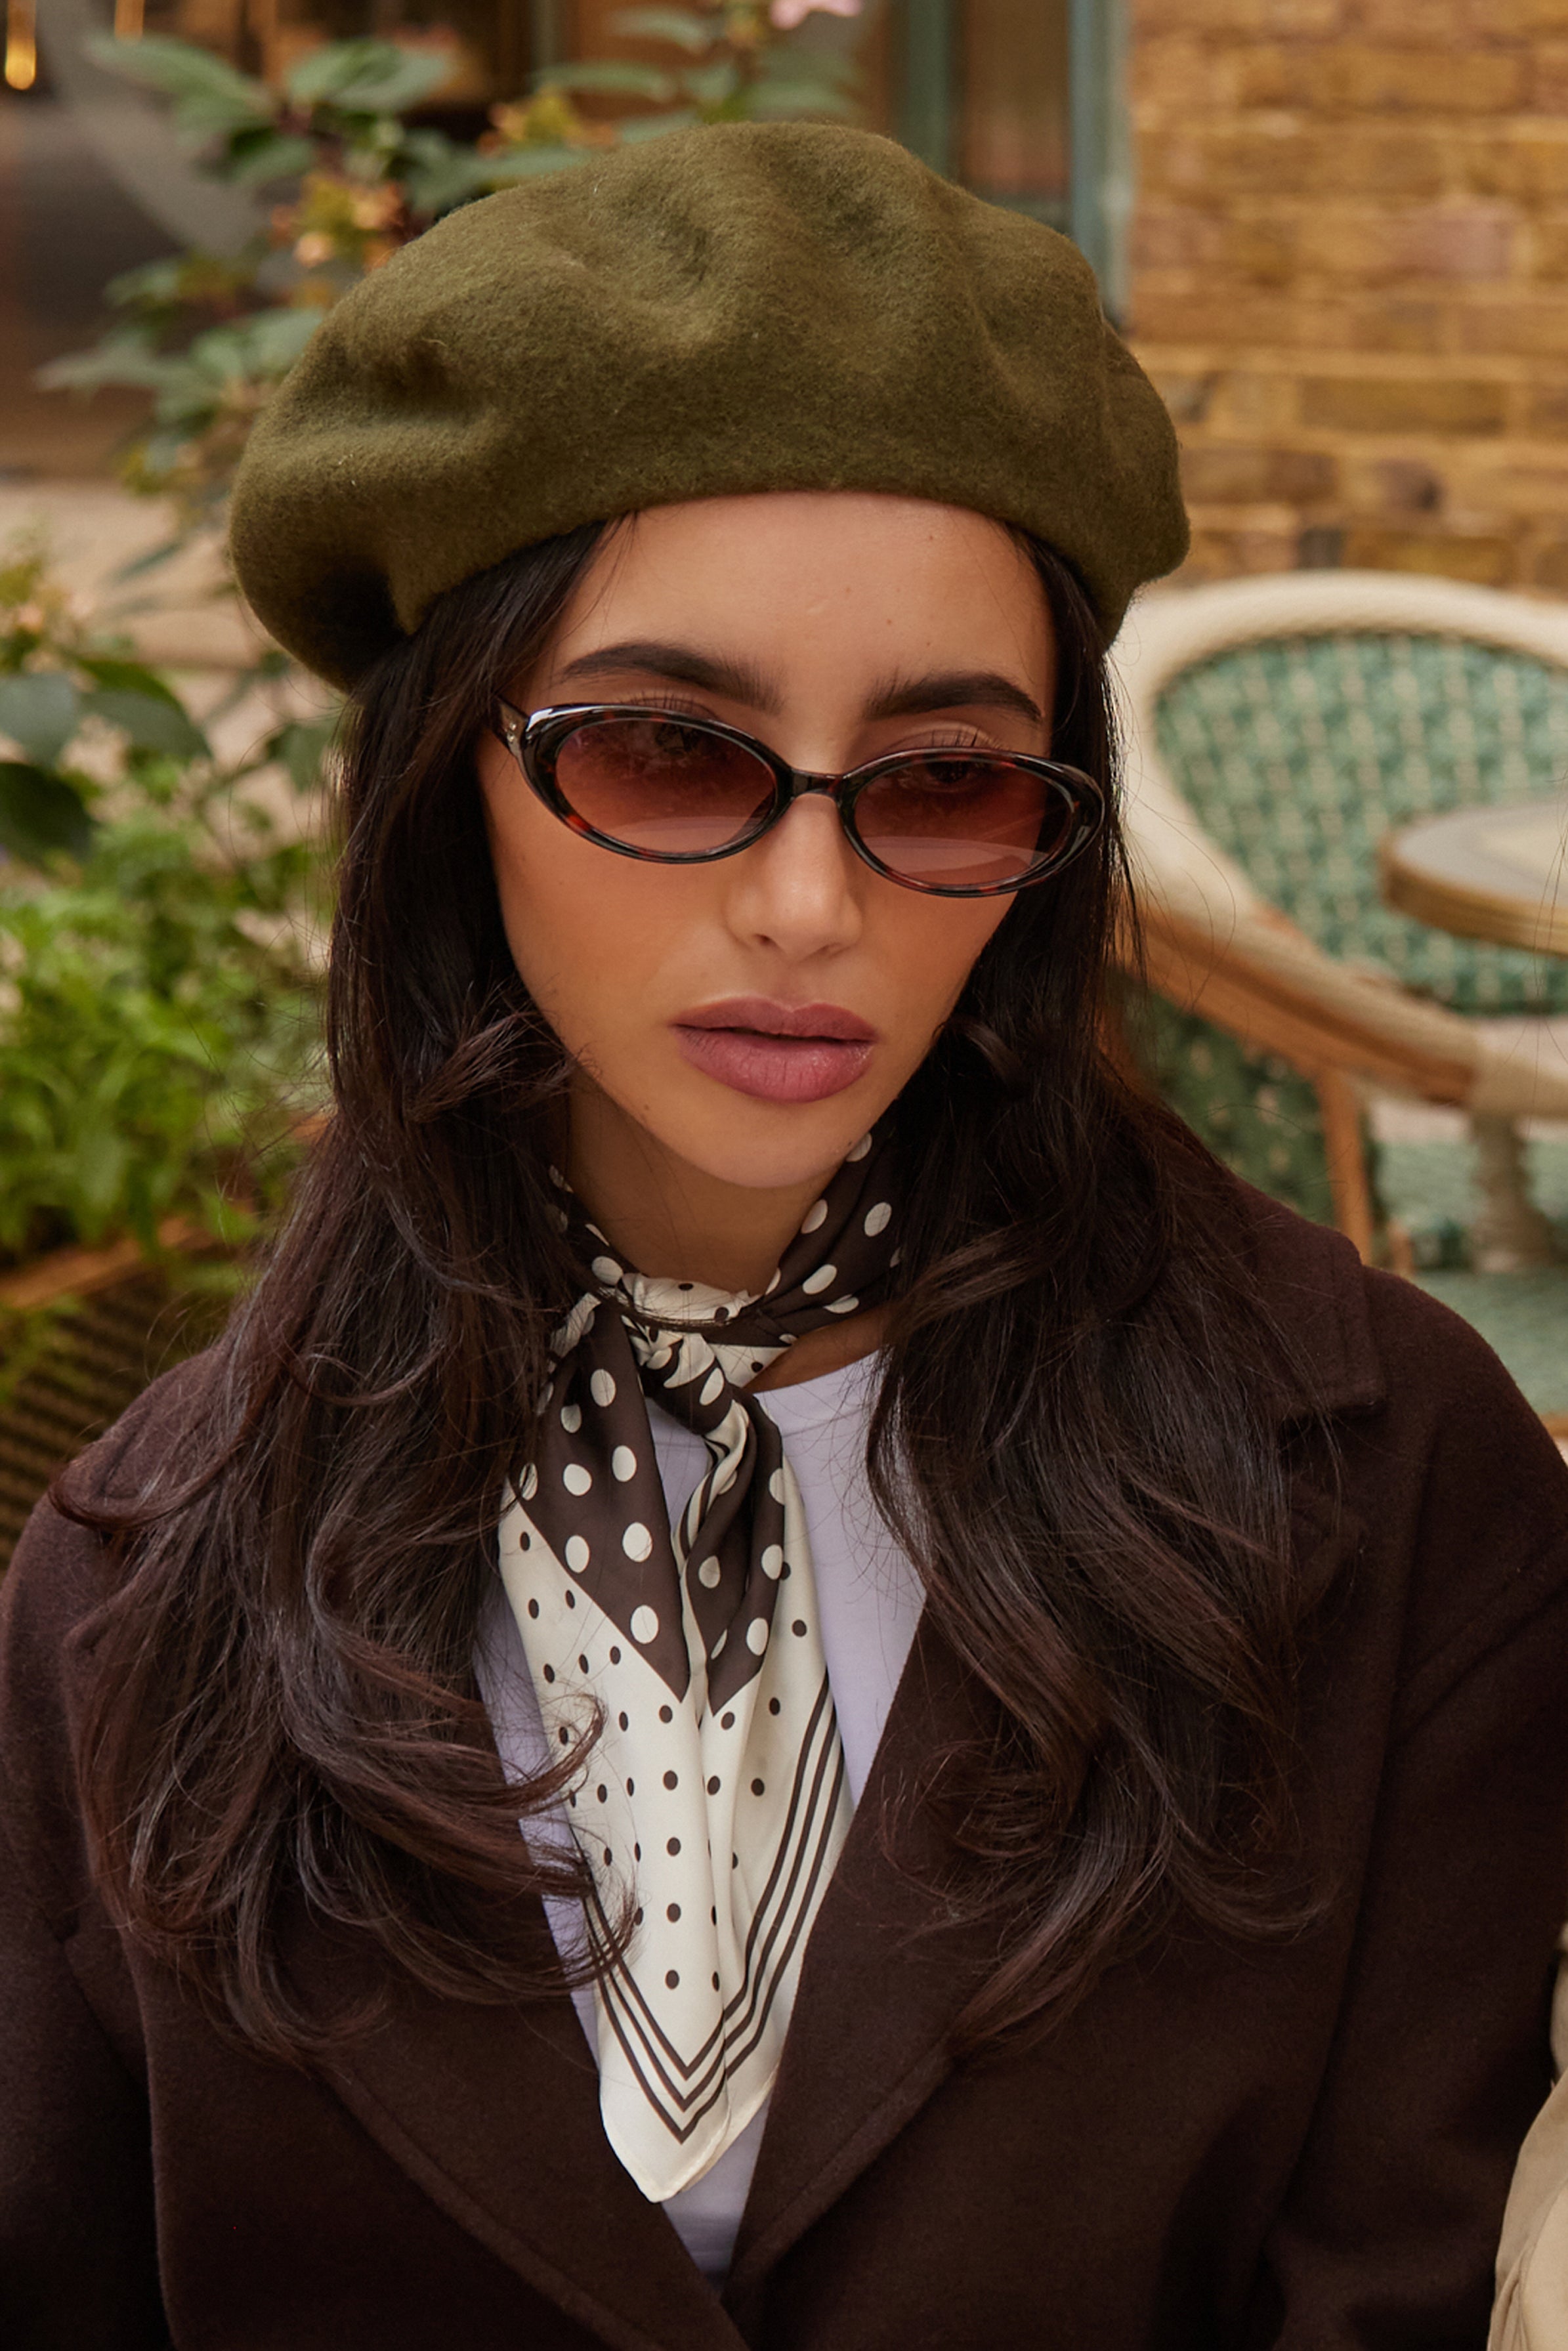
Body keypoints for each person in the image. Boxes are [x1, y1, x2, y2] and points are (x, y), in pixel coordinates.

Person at [3, 122, 1567, 2351]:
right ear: (453, 777)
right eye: (664, 751)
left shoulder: (1405, 1489)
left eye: (941, 780)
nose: (808, 907)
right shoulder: (132, 1583)